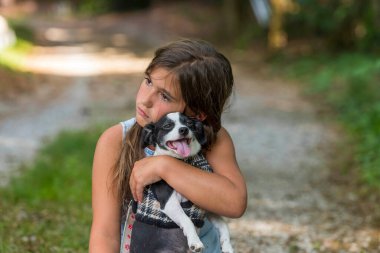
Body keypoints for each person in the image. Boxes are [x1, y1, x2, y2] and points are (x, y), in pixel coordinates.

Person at [89, 39, 247, 253]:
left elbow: (234, 203)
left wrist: (163, 166)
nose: (146, 100)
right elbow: (104, 235)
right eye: (148, 81)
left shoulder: (213, 140)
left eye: (164, 95)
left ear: (197, 114)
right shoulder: (116, 141)